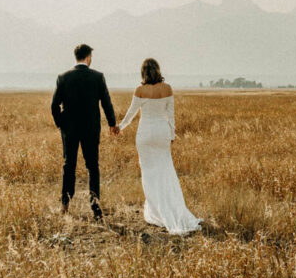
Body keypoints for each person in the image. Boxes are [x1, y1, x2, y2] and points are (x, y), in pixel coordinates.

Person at [117, 58, 201, 234]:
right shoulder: (167, 88)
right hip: (162, 132)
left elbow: (131, 114)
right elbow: (171, 116)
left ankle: (156, 212)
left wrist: (119, 127)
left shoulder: (140, 90)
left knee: (149, 175)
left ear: (143, 72)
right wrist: (171, 134)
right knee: (165, 171)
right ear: (158, 70)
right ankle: (171, 210)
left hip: (145, 135)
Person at [51, 44, 118, 218]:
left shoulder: (63, 77)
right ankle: (95, 206)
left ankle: (65, 205)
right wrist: (112, 123)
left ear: (76, 57)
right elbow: (106, 102)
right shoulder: (97, 77)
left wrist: (61, 124)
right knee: (93, 166)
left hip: (70, 129)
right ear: (88, 57)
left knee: (69, 166)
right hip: (91, 128)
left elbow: (54, 105)